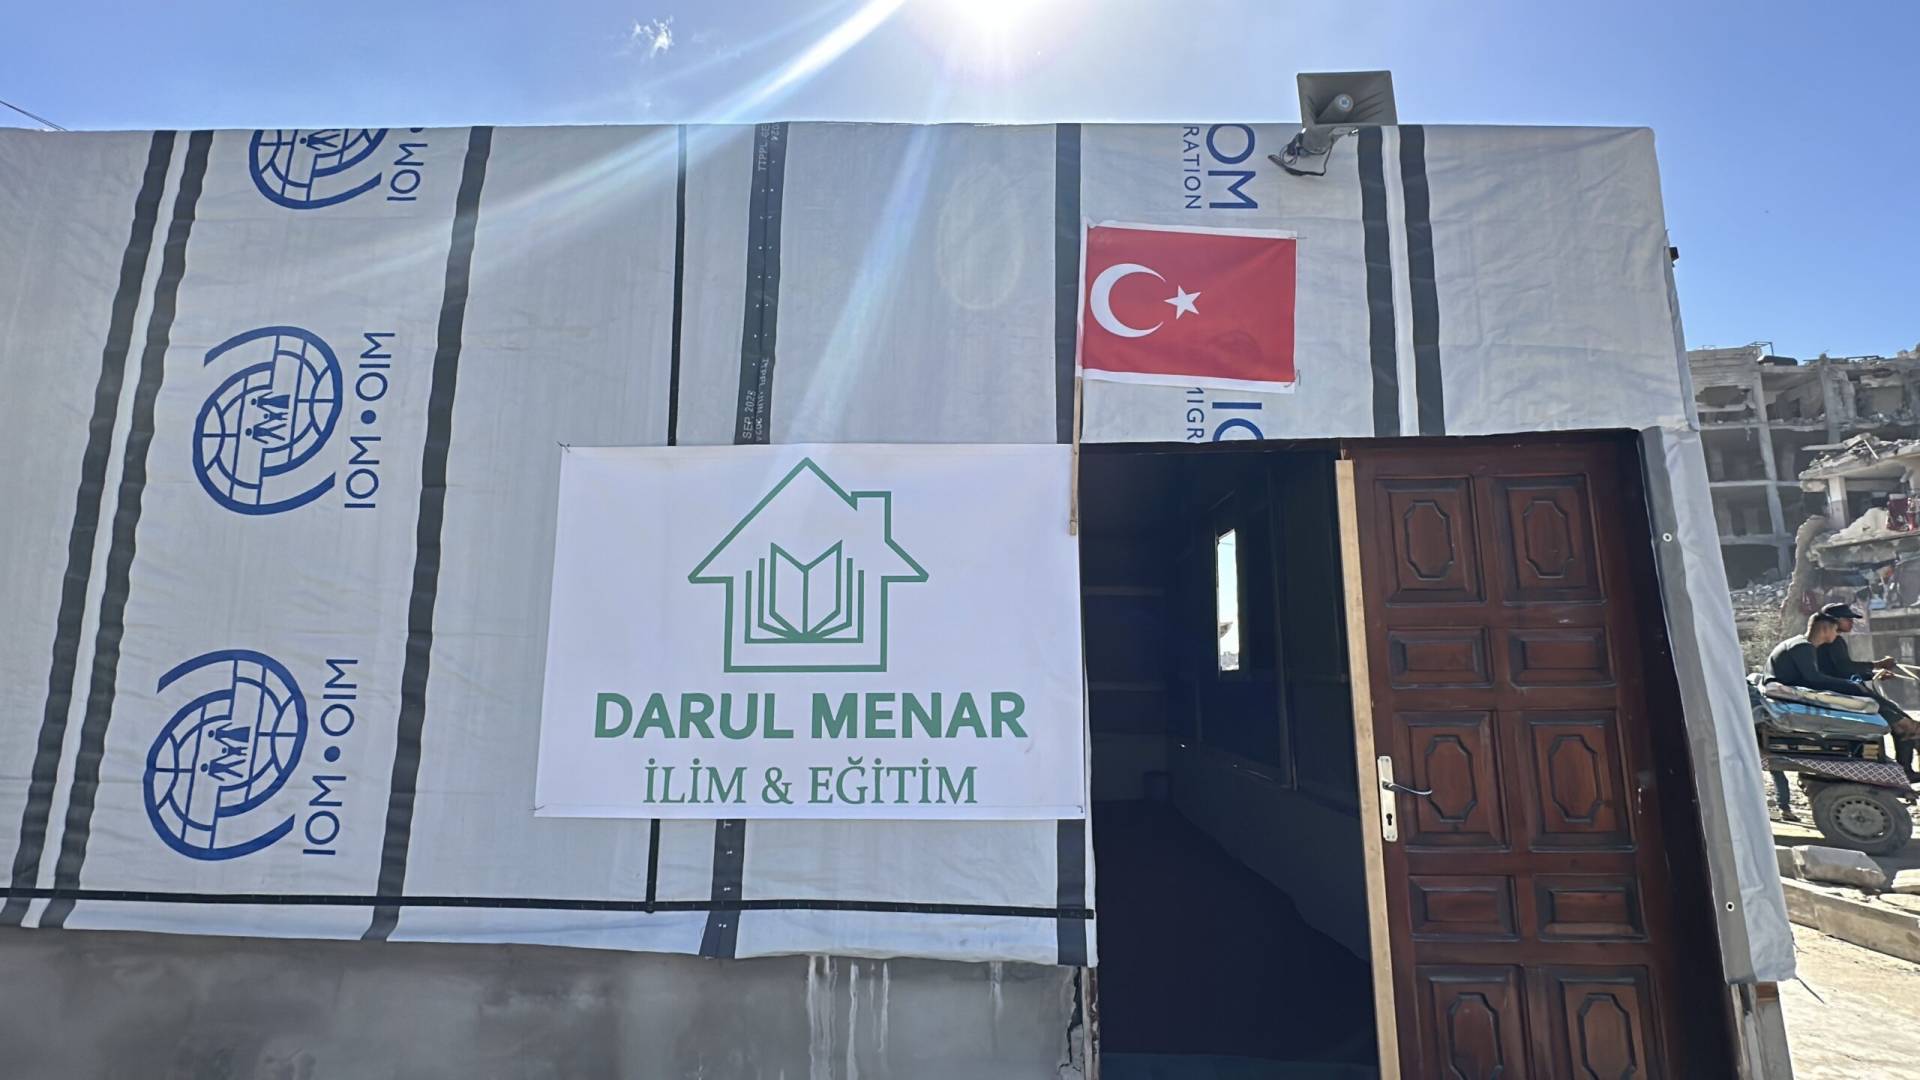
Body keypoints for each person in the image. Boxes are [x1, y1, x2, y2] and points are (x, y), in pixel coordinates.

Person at [1766, 613, 1860, 822]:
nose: (1836, 634)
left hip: (1780, 707)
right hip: (1783, 708)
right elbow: (1813, 679)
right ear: (1825, 629)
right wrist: (1850, 686)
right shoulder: (1803, 647)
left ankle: (1784, 806)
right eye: (1835, 629)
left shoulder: (1798, 645)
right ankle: (1784, 806)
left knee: (1776, 767)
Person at [1816, 602, 1919, 779]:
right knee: (1907, 726)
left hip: (1849, 689)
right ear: (1834, 621)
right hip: (1847, 693)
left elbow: (1842, 669)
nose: (1851, 622)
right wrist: (1876, 665)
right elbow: (1844, 669)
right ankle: (1906, 771)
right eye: (1848, 619)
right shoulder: (1832, 641)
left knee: (1906, 723)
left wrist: (1873, 673)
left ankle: (1906, 770)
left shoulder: (1833, 641)